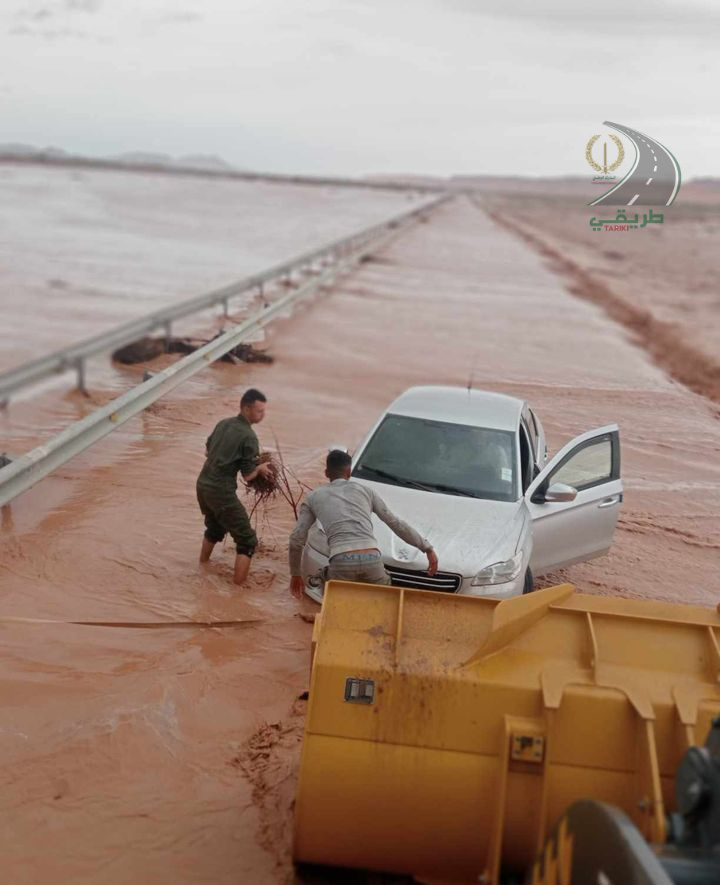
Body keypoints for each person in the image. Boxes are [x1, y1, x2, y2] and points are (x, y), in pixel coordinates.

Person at [288, 449, 438, 598]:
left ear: (326, 473)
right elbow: (395, 523)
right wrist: (427, 548)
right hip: (372, 558)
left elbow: (296, 539)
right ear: (349, 472)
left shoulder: (313, 497)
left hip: (340, 560)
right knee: (379, 605)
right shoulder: (366, 491)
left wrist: (295, 574)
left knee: (336, 604)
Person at [196, 388, 275, 586]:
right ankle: (238, 590)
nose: (263, 415)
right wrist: (260, 468)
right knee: (247, 540)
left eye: (264, 411)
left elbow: (208, 451)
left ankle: (202, 567)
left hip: (203, 484)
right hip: (220, 491)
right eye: (259, 411)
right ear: (246, 409)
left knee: (215, 527)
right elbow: (248, 475)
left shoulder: (223, 423)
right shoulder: (249, 436)